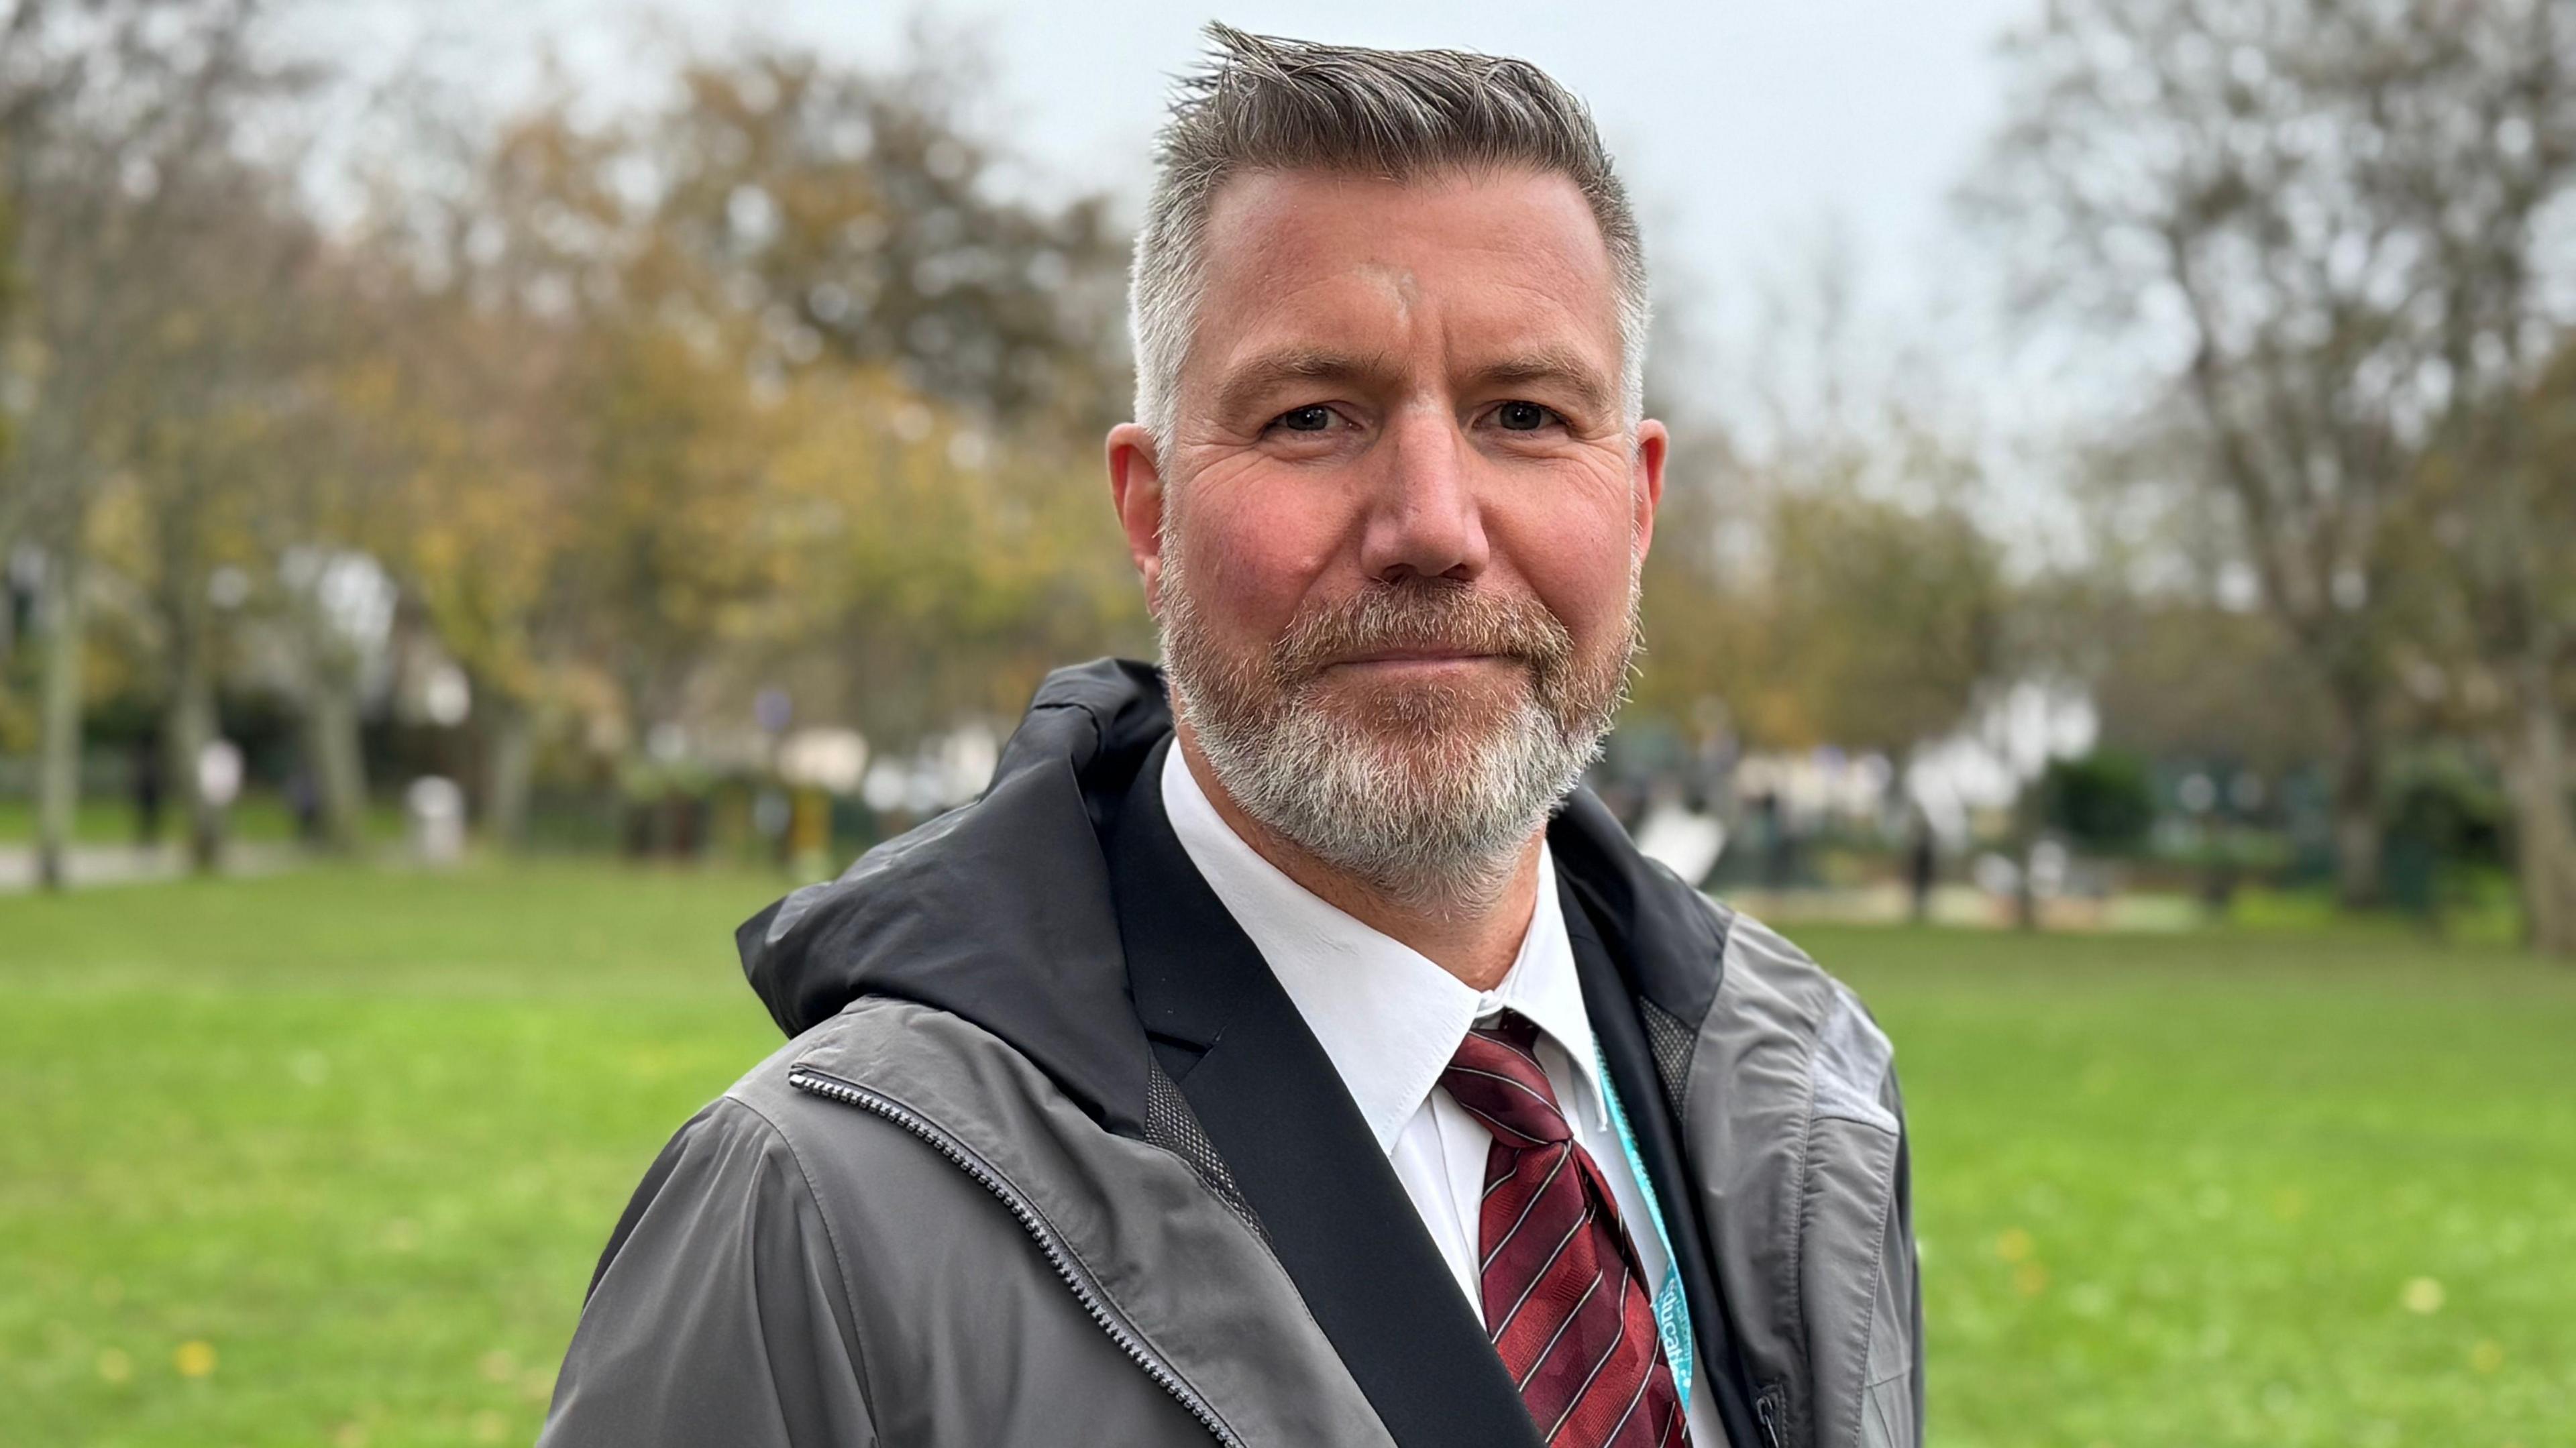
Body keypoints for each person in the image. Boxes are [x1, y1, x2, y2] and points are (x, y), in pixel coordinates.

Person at [541, 25, 1920, 1448]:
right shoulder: (819, 1214)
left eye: (1524, 414)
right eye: (1312, 417)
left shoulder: (1809, 1100)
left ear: (1636, 503)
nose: (1433, 525)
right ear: (1150, 513)